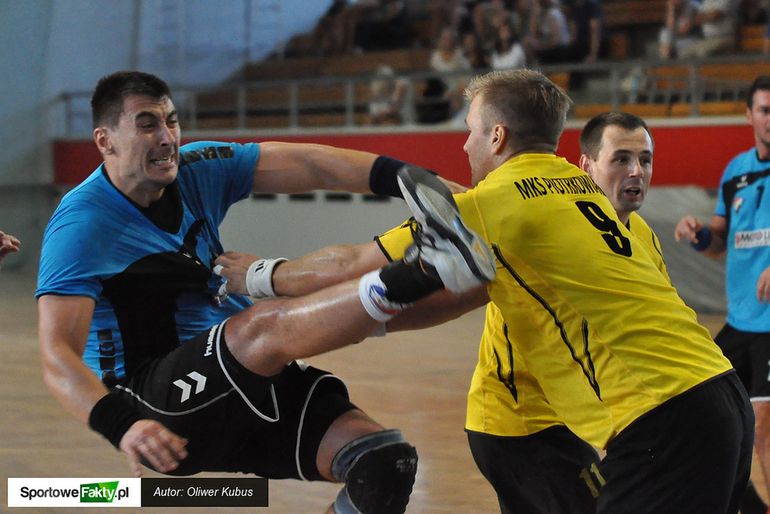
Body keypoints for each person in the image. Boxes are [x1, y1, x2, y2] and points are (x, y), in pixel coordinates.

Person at [219, 69, 753, 513]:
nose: (464, 143)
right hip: (719, 390)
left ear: (497, 136)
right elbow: (457, 298)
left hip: (660, 416)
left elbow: (351, 263)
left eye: (471, 129)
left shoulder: (489, 204)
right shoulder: (585, 192)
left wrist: (258, 275)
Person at [35, 70, 496, 514]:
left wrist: (421, 184)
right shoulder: (83, 224)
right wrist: (123, 427)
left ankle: (439, 267)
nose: (167, 137)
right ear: (105, 140)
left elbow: (313, 164)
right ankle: (426, 268)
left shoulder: (196, 168)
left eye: (171, 121)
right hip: (156, 404)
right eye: (147, 124)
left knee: (383, 462)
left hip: (241, 378)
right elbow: (57, 356)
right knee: (263, 324)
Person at [675, 74, 770, 514]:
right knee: (712, 416)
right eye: (765, 110)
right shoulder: (736, 171)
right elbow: (719, 241)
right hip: (739, 321)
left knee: (763, 427)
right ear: (749, 115)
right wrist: (698, 235)